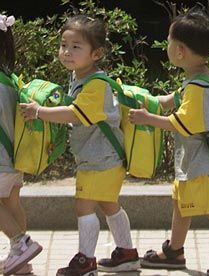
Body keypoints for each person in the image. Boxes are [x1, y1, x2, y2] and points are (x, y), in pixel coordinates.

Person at [128, 9, 209, 276]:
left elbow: (180, 122)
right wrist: (149, 100)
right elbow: (171, 100)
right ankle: (174, 251)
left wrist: (147, 118)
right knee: (181, 204)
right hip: (193, 161)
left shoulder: (198, 87)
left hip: (201, 165)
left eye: (169, 40)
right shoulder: (201, 77)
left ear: (180, 51)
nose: (167, 45)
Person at [19, 15, 140, 276]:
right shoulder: (81, 76)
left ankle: (86, 261)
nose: (67, 52)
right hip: (103, 157)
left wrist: (39, 112)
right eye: (64, 45)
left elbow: (75, 114)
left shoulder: (96, 84)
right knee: (109, 205)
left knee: (83, 206)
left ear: (97, 53)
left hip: (100, 159)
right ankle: (127, 254)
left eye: (76, 47)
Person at [0, 14, 43, 276]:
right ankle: (21, 261)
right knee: (13, 204)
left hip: (0, 159)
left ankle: (20, 242)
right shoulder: (10, 78)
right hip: (15, 158)